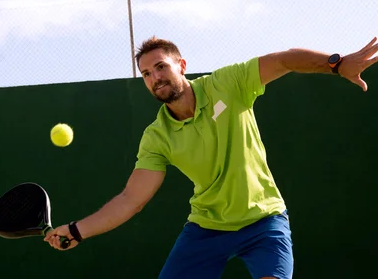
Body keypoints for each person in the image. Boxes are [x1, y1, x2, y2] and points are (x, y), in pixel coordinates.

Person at [44, 35, 378, 279]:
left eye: (161, 67)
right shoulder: (156, 137)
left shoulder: (226, 84)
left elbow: (284, 59)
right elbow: (131, 199)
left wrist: (336, 64)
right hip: (207, 228)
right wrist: (76, 230)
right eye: (146, 74)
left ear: (182, 66)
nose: (155, 78)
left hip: (264, 220)